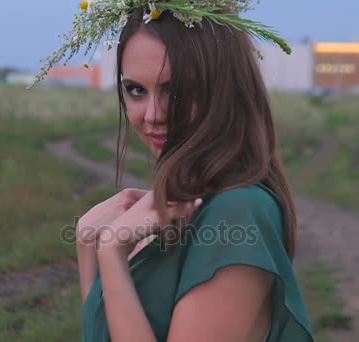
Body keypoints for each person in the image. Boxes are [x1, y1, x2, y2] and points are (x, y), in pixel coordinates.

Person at [35, 1, 314, 341]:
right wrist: (89, 250)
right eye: (136, 90)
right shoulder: (182, 205)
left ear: (224, 88)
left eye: (177, 90)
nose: (152, 114)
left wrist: (111, 254)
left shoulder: (237, 213)